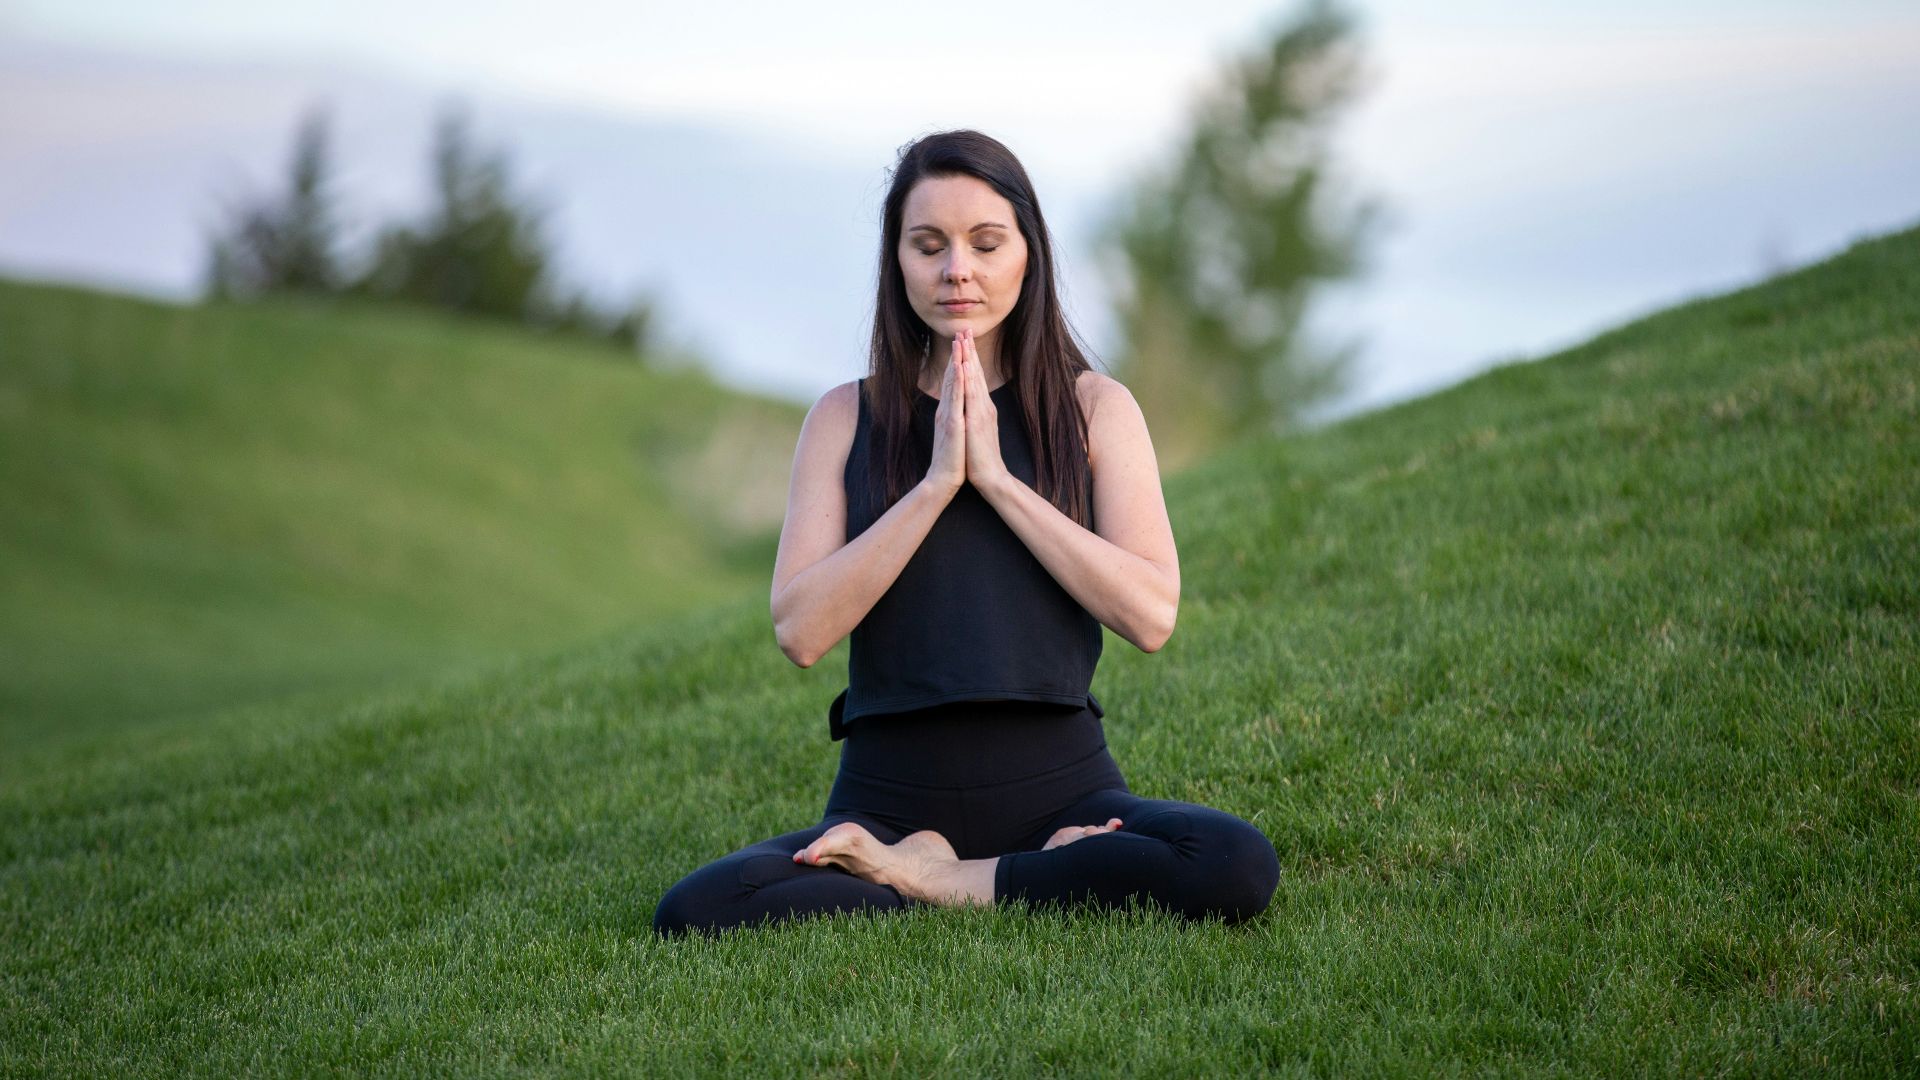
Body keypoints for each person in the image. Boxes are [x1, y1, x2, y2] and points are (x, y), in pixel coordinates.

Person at [651, 130, 1279, 937]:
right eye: (929, 245)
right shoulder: (843, 418)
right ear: (897, 260)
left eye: (986, 242)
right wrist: (939, 480)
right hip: (886, 800)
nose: (958, 270)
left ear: (1028, 253)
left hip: (1066, 790)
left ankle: (940, 880)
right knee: (697, 910)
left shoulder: (1096, 410)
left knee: (1233, 862)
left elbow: (1152, 615)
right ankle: (990, 871)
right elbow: (800, 630)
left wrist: (998, 481)